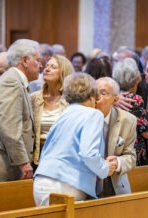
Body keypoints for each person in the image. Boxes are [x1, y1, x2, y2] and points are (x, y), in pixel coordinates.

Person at [34, 73, 116, 206]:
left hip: (41, 180)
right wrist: (105, 169)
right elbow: (88, 154)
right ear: (91, 97)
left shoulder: (64, 114)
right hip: (65, 183)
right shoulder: (93, 114)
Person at [0, 39, 41, 182]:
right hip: (1, 166)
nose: (40, 65)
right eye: (37, 60)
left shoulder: (15, 81)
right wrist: (23, 163)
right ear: (25, 60)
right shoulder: (11, 82)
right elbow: (10, 128)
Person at [95, 77, 137, 197]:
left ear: (115, 99)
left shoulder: (127, 120)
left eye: (103, 93)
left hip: (115, 186)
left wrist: (117, 162)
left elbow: (131, 157)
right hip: (87, 187)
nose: (97, 98)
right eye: (94, 92)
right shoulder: (82, 118)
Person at [31, 55, 74, 168]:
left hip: (64, 159)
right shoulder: (34, 98)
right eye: (46, 66)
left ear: (63, 73)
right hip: (38, 158)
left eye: (53, 67)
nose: (47, 69)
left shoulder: (72, 100)